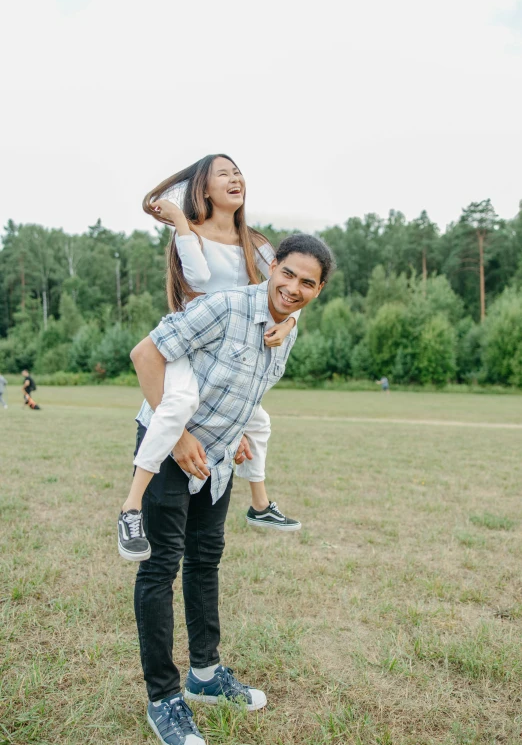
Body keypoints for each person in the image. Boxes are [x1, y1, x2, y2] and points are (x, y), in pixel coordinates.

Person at [127, 234, 334, 745]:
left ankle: (204, 677)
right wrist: (177, 436)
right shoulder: (225, 307)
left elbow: (242, 386)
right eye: (287, 274)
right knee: (160, 567)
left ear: (318, 290)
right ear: (272, 268)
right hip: (172, 448)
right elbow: (145, 354)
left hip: (216, 457)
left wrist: (237, 431)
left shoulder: (287, 328)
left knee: (205, 562)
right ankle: (164, 699)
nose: (293, 288)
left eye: (307, 283)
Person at [118, 154, 301, 563]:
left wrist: (289, 325)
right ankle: (130, 510)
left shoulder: (258, 244)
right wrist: (182, 224)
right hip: (193, 349)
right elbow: (199, 279)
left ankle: (260, 504)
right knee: (177, 405)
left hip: (230, 361)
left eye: (238, 173)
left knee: (259, 422)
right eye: (225, 174)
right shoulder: (192, 234)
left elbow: (288, 288)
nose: (236, 179)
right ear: (203, 189)